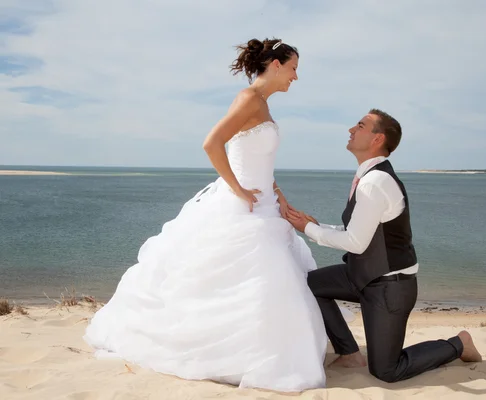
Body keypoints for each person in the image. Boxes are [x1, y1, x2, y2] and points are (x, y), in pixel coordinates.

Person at [83, 38, 328, 392]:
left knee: (270, 282)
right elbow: (212, 143)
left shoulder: (263, 105)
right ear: (275, 64)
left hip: (265, 207)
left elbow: (260, 162)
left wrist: (281, 197)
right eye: (293, 68)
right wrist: (238, 189)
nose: (295, 76)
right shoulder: (249, 99)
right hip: (242, 207)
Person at [287, 109, 482, 383]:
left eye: (360, 125)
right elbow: (358, 231)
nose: (350, 129)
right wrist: (317, 226)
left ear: (377, 139)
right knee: (311, 285)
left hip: (390, 287)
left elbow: (355, 242)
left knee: (387, 370)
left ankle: (458, 344)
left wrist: (307, 229)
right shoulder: (368, 177)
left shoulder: (375, 182)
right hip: (362, 276)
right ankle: (349, 352)